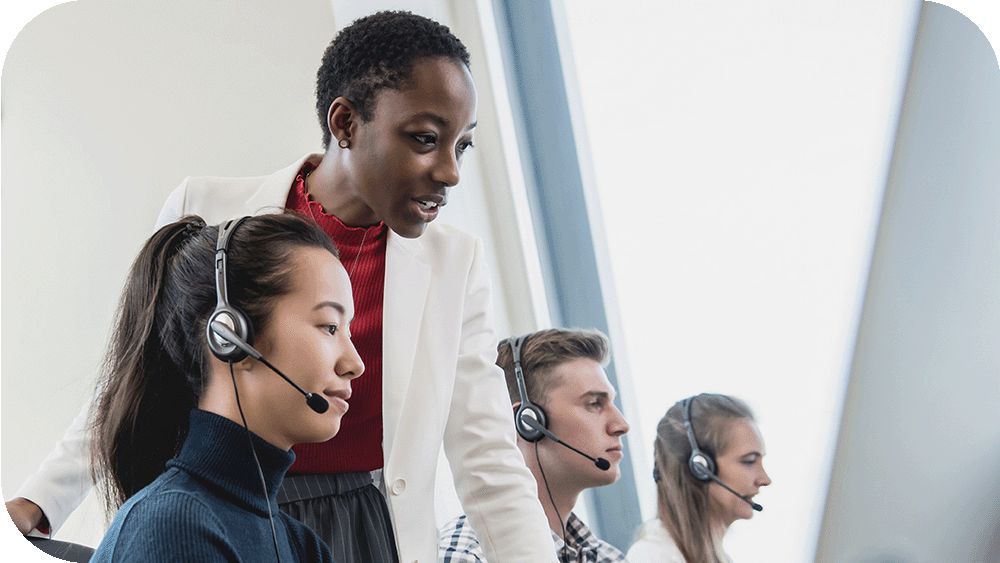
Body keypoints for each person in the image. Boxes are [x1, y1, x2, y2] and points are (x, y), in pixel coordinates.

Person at [6, 10, 556, 563]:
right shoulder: (210, 213)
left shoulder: (453, 263)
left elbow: (490, 460)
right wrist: (40, 501)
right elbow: (135, 373)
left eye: (461, 147)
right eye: (424, 139)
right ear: (344, 124)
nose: (450, 172)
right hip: (219, 503)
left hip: (365, 526)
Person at [89, 213, 361, 561]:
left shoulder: (300, 544)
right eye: (329, 327)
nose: (355, 364)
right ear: (230, 337)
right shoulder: (175, 528)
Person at [439, 328, 630, 562]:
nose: (621, 424)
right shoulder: (468, 557)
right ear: (527, 422)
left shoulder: (609, 558)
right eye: (594, 404)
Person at [626, 393, 772, 563]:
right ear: (700, 467)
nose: (765, 479)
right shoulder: (654, 556)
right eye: (749, 461)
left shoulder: (718, 557)